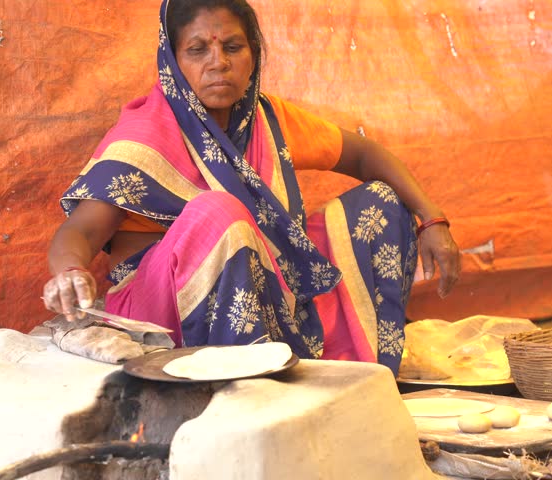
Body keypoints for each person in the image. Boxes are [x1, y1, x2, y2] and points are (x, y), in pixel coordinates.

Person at [42, 0, 460, 375]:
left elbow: (365, 155)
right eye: (197, 49)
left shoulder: (267, 120)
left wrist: (432, 218)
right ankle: (250, 379)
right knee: (218, 213)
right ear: (172, 60)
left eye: (233, 47)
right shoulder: (146, 134)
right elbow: (79, 232)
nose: (218, 62)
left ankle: (355, 367)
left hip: (268, 289)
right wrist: (70, 273)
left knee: (382, 202)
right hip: (161, 312)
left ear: (253, 55)